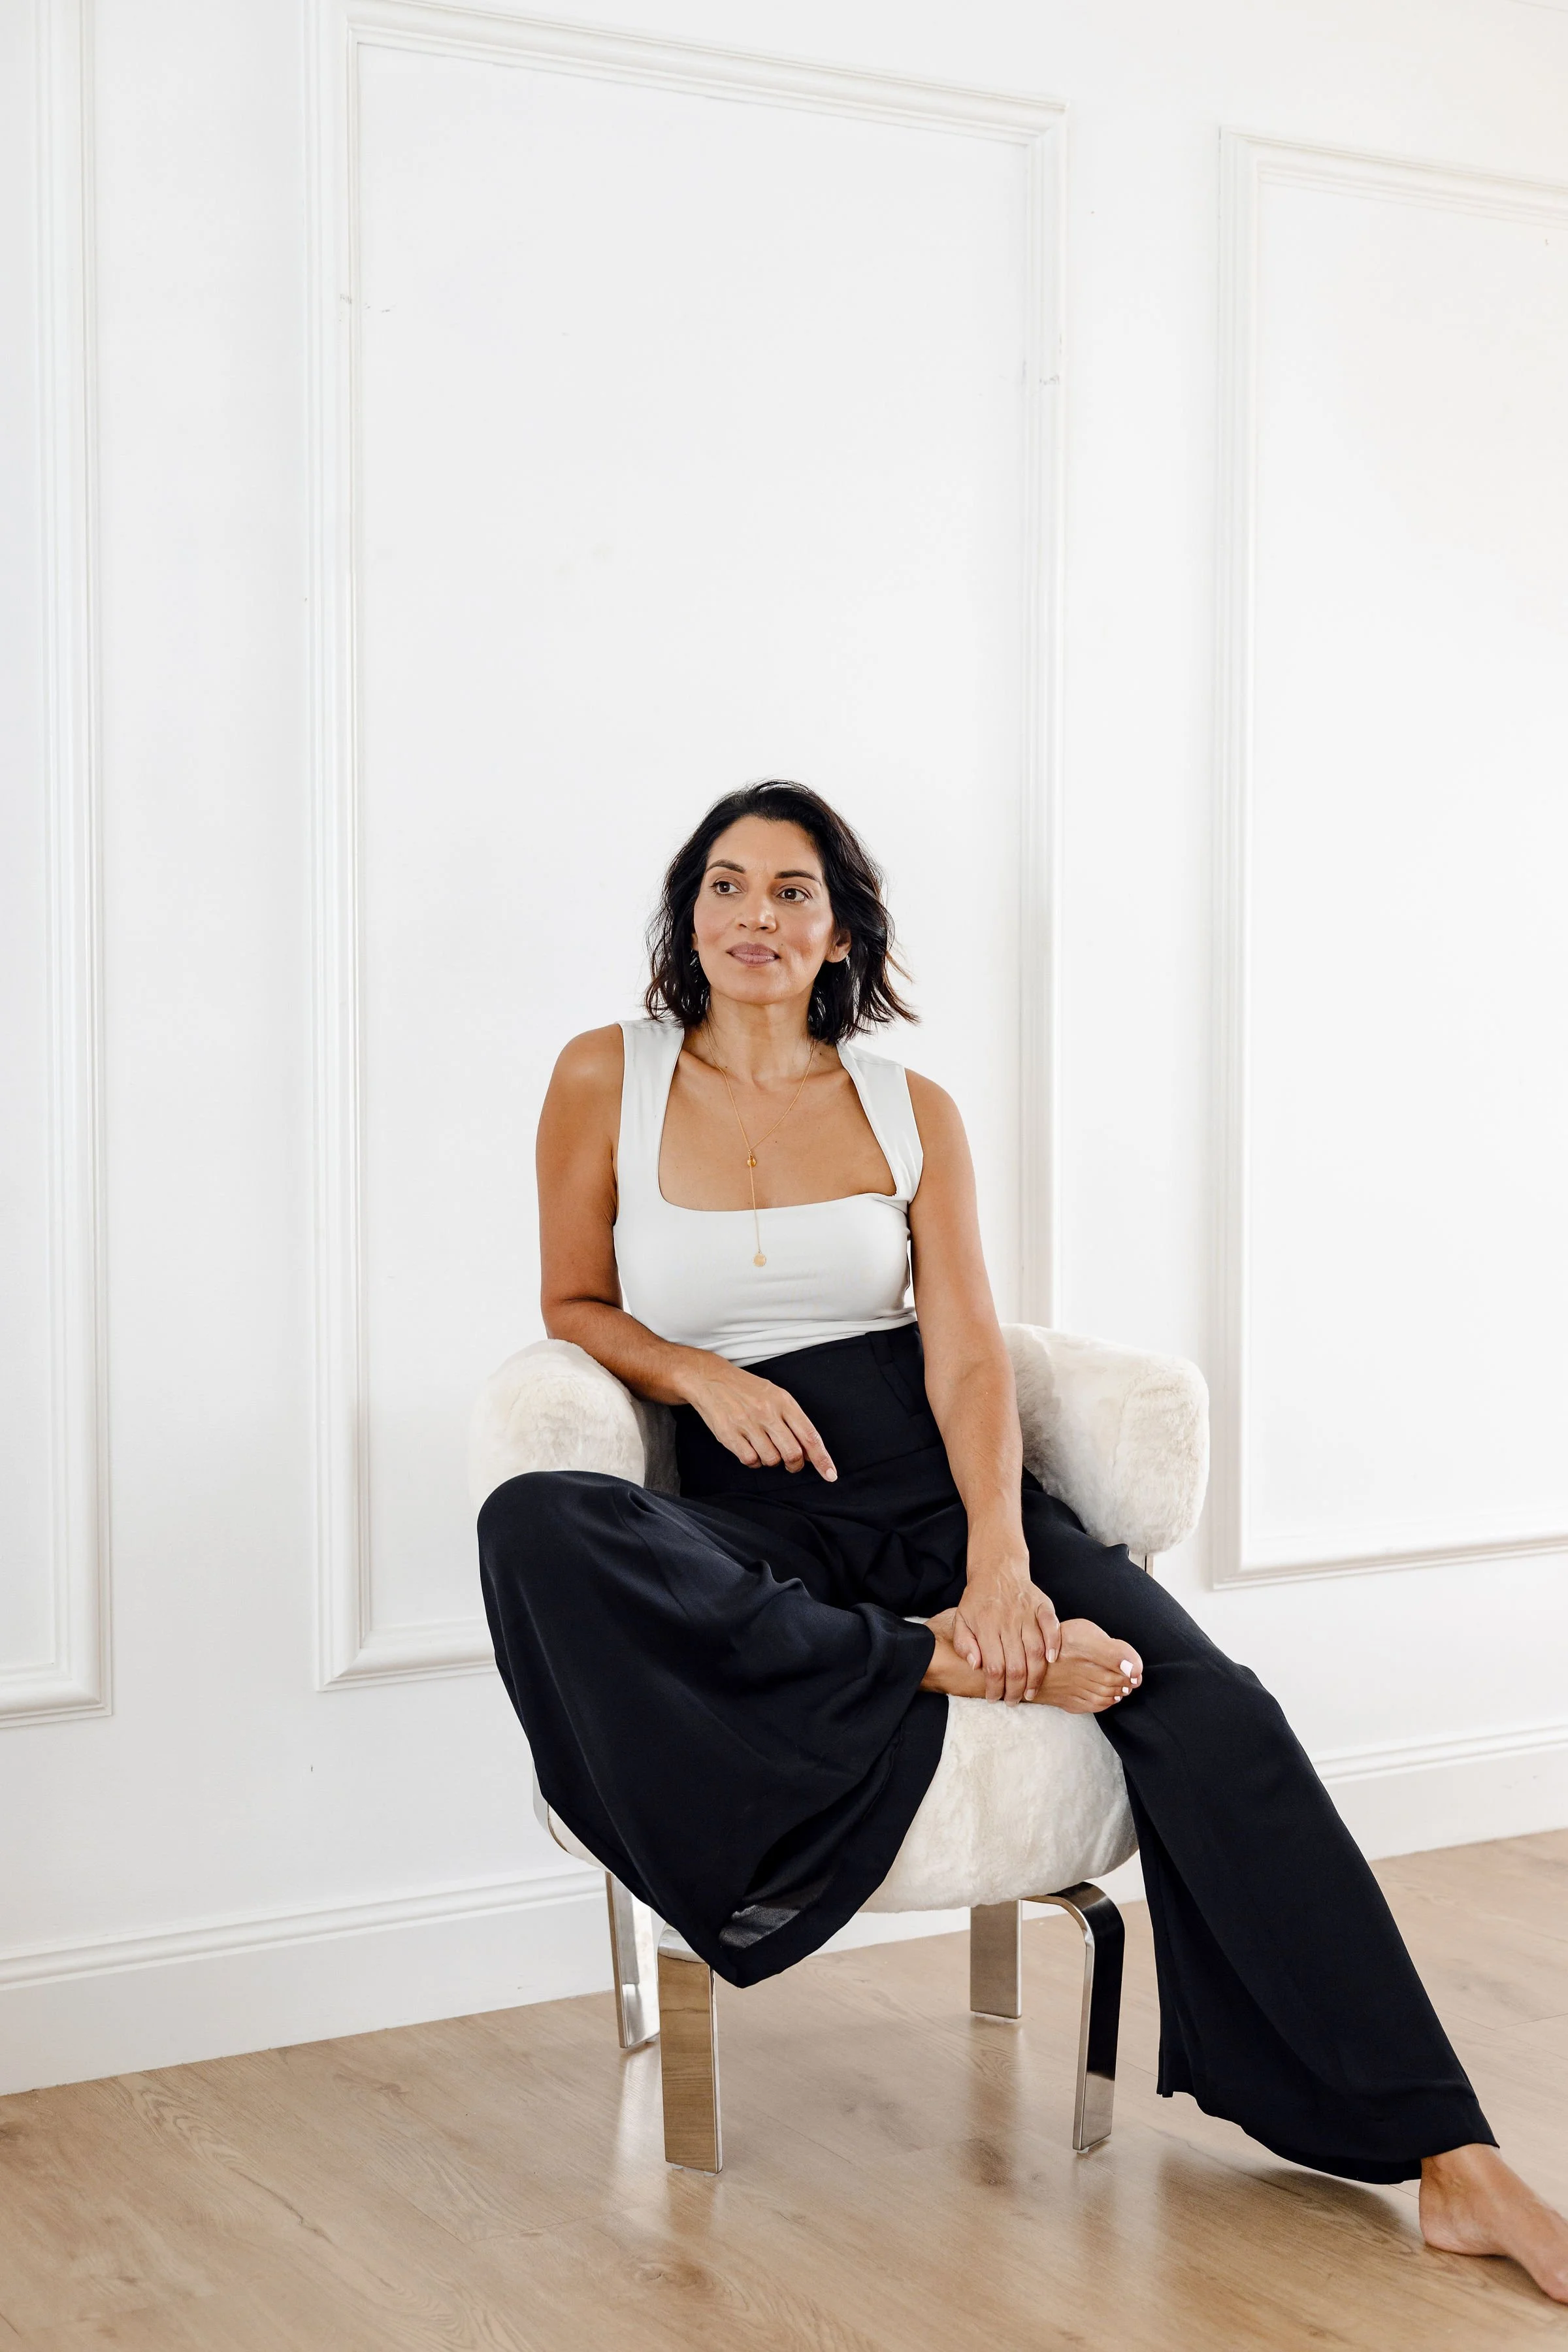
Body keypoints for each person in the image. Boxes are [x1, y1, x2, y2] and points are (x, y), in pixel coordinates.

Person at [478, 779, 1568, 2300]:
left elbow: (969, 1347)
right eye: (726, 886)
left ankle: (1458, 2165)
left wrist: (1002, 1558)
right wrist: (699, 1374)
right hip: (749, 1503)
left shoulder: (909, 1106)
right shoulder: (606, 1074)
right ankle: (932, 1669)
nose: (755, 918)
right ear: (688, 913)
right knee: (535, 1521)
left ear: (842, 927)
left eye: (793, 892)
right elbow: (573, 1304)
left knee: (1219, 1710)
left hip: (927, 1476)